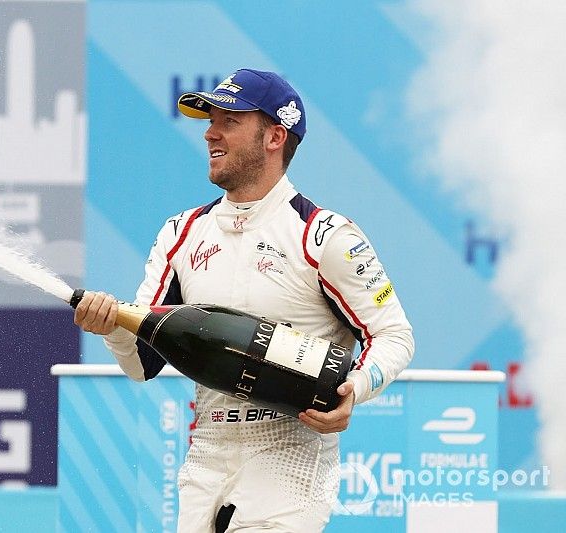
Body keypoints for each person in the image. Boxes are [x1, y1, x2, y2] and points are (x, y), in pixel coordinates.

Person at [73, 68, 414, 532]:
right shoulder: (181, 233)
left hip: (291, 453)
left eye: (229, 120)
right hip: (207, 449)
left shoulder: (326, 236)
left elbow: (393, 334)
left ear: (275, 136)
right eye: (210, 119)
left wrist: (353, 390)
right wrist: (111, 325)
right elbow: (142, 365)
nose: (210, 132)